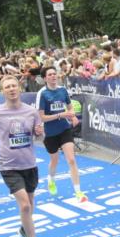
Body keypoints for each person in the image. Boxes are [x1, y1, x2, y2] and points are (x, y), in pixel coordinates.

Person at [0, 75, 46, 237]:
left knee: (30, 205)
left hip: (29, 164)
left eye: (14, 85)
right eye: (7, 87)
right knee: (25, 205)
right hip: (9, 166)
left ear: (19, 88)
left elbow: (38, 134)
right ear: (3, 91)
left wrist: (40, 132)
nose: (11, 89)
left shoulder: (31, 112)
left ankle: (24, 229)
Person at [36, 66, 87, 202]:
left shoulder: (63, 90)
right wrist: (60, 115)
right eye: (50, 74)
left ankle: (78, 192)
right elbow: (42, 117)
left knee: (71, 159)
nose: (53, 76)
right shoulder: (43, 94)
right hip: (50, 133)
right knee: (55, 160)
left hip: (64, 129)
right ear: (45, 78)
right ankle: (51, 179)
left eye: (54, 74)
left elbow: (69, 107)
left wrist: (73, 116)